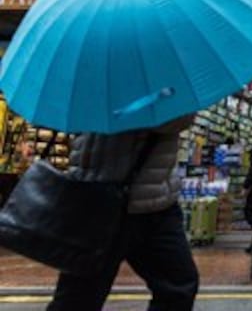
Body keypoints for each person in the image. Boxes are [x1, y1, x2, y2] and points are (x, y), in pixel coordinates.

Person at [48, 116, 198, 311]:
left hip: (156, 202)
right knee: (78, 298)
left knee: (179, 286)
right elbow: (173, 121)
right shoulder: (108, 91)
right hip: (104, 201)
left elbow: (179, 120)